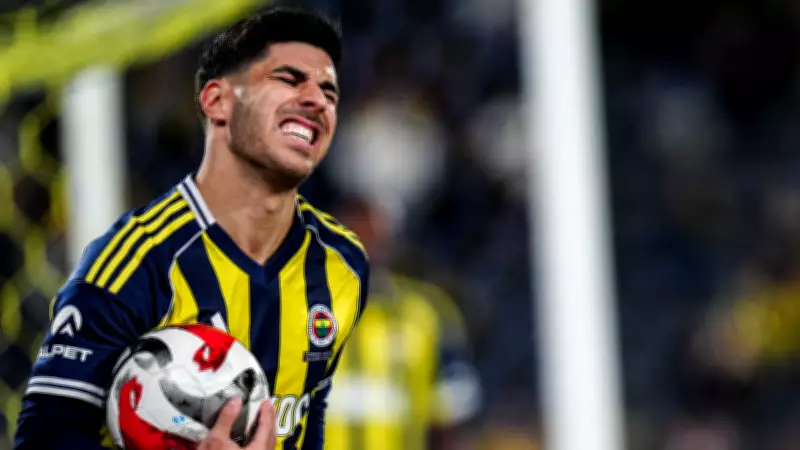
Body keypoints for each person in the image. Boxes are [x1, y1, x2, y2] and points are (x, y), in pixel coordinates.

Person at [14, 7, 369, 450]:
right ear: (217, 102)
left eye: (329, 91)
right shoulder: (137, 262)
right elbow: (42, 438)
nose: (317, 100)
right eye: (288, 79)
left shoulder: (342, 263)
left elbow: (305, 420)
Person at [323, 199, 481, 450]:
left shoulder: (427, 314)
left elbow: (449, 419)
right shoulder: (292, 312)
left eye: (370, 235)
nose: (362, 246)